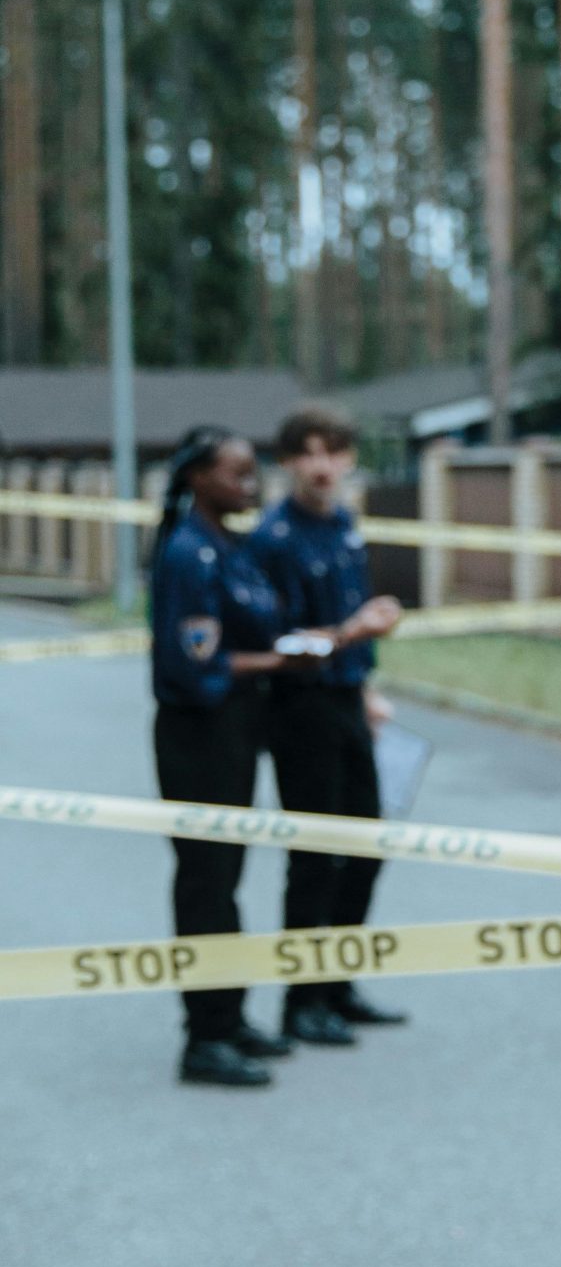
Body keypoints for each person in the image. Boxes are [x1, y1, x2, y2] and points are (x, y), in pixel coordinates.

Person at [249, 405, 404, 1048]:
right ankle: (301, 1001)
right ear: (286, 462)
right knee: (315, 857)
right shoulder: (273, 539)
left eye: (333, 452)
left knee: (367, 848)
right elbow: (273, 641)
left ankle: (338, 984)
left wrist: (365, 684)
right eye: (307, 453)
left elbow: (346, 614)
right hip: (299, 708)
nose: (321, 466)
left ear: (348, 459)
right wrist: (351, 633)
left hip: (345, 699)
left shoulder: (343, 522)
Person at [149, 427, 297, 1090]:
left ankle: (229, 1015)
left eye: (253, 473)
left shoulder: (229, 547)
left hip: (236, 726)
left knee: (227, 878)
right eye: (236, 474)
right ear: (197, 480)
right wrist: (279, 661)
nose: (250, 484)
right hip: (199, 731)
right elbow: (193, 663)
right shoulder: (190, 554)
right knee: (206, 882)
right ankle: (203, 1037)